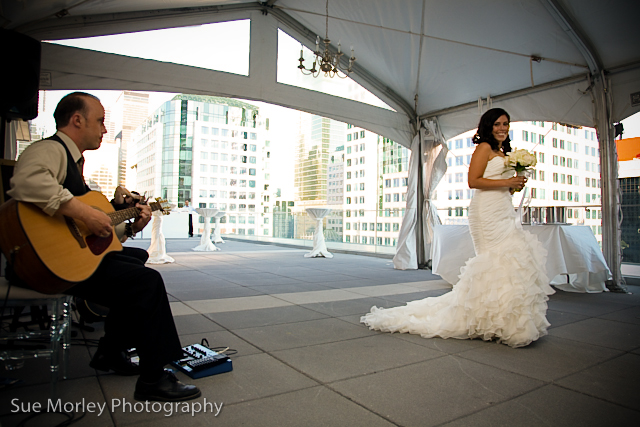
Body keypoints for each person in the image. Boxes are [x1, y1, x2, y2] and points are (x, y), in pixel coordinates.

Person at [7, 92, 201, 400]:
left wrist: (133, 224)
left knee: (135, 257)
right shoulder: (50, 149)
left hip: (64, 258)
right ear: (77, 120)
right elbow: (25, 182)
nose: (104, 129)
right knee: (147, 282)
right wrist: (86, 212)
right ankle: (153, 378)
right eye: (100, 121)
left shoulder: (75, 164)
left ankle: (110, 351)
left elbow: (90, 232)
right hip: (43, 263)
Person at [361, 108, 555, 348]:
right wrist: (507, 181)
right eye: (497, 124)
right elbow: (474, 181)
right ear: (488, 126)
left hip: (503, 209)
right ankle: (489, 318)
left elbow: (499, 184)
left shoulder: (502, 152)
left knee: (510, 259)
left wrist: (514, 185)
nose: (503, 128)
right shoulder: (483, 148)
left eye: (506, 123)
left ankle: (503, 319)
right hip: (486, 213)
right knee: (493, 259)